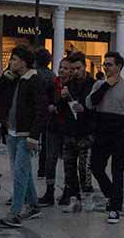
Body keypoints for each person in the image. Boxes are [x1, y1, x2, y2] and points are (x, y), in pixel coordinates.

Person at [85, 50, 124, 224]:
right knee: (96, 166)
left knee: (117, 170)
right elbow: (90, 103)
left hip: (121, 131)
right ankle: (111, 194)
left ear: (119, 66)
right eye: (105, 64)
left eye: (109, 64)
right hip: (102, 130)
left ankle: (115, 208)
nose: (106, 67)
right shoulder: (99, 85)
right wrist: (106, 85)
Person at [0, 45, 47, 228]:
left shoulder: (34, 80)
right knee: (24, 171)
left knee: (19, 172)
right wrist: (6, 76)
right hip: (12, 132)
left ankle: (14, 213)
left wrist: (34, 136)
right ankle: (33, 205)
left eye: (14, 59)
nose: (11, 62)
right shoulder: (14, 78)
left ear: (23, 62)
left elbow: (41, 110)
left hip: (26, 135)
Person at [57, 51, 95, 212]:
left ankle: (88, 197)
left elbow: (91, 107)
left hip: (86, 132)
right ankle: (74, 198)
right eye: (72, 69)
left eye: (78, 68)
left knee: (84, 168)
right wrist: (62, 97)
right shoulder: (69, 84)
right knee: (69, 168)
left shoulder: (92, 84)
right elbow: (60, 108)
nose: (75, 72)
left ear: (85, 66)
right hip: (70, 131)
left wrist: (81, 106)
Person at [37, 59, 69, 207]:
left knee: (68, 161)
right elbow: (44, 100)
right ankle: (49, 191)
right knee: (50, 159)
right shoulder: (52, 84)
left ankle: (68, 192)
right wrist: (49, 106)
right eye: (60, 67)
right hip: (53, 126)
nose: (61, 70)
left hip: (68, 127)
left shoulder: (72, 86)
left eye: (65, 68)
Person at [33, 48, 56, 182]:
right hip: (48, 112)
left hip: (36, 111)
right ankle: (42, 169)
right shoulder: (52, 75)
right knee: (46, 144)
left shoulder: (34, 75)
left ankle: (39, 169)